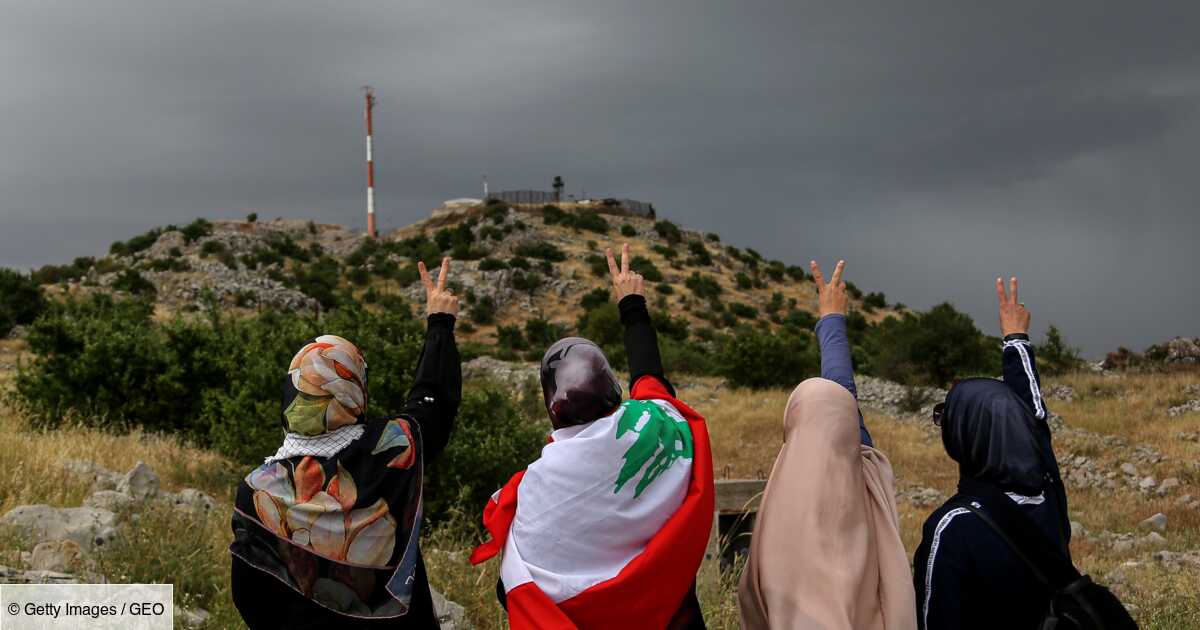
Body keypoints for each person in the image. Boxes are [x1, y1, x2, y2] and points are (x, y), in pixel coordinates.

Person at [470, 244, 715, 630]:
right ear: (612, 389)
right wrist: (632, 304)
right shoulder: (656, 423)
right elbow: (651, 375)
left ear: (551, 404)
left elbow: (511, 586)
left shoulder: (538, 484)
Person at [229, 258, 462, 629]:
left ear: (293, 394)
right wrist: (439, 324)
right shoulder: (392, 450)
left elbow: (248, 594)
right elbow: (431, 401)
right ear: (354, 391)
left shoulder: (258, 490)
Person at [738, 260, 918, 630]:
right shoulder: (869, 479)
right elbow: (843, 407)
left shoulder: (776, 513)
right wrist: (833, 318)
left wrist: (831, 319)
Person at [912, 277, 1070, 630]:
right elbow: (1034, 420)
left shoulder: (952, 528)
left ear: (962, 437)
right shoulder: (1048, 495)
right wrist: (1016, 340)